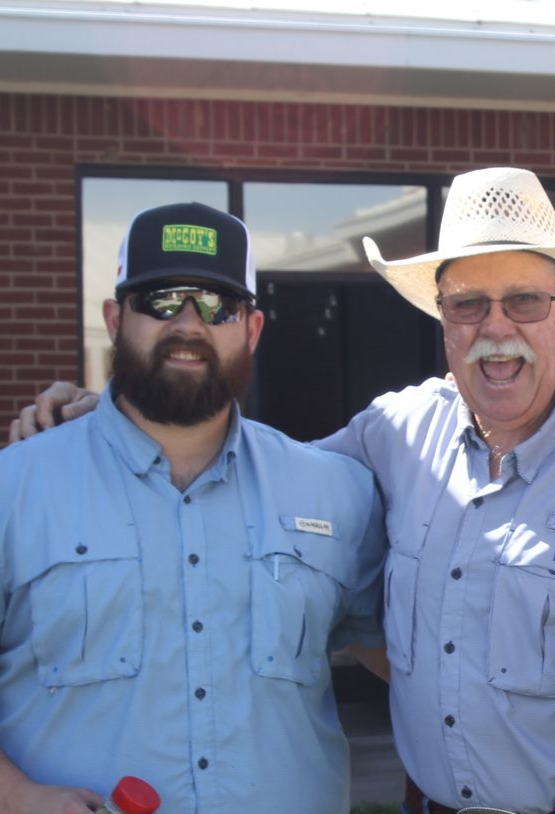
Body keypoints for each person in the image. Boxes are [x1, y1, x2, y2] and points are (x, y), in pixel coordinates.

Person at [11, 168, 555, 814]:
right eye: (469, 303)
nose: (496, 329)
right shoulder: (391, 438)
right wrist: (80, 420)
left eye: (525, 301)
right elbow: (394, 620)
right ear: (441, 314)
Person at [0, 202, 386, 814]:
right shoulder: (14, 489)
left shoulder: (337, 492)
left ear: (251, 329)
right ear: (115, 318)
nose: (187, 323)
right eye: (160, 299)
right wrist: (16, 796)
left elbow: (415, 664)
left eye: (217, 306)